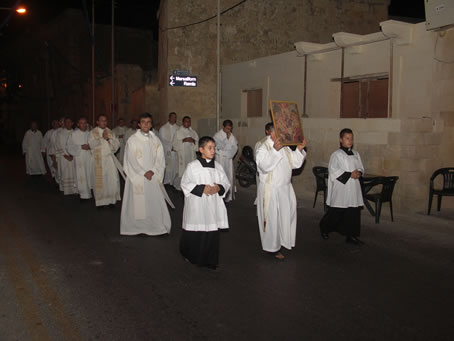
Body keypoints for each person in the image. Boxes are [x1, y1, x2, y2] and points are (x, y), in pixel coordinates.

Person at [256, 123, 307, 260]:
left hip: (285, 189)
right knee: (272, 220)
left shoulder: (285, 148)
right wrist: (275, 151)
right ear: (272, 134)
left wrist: (299, 150)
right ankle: (272, 248)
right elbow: (264, 167)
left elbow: (295, 164)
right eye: (280, 133)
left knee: (286, 216)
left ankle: (283, 241)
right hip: (271, 190)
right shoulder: (263, 148)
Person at [179, 136, 230, 269]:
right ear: (201, 150)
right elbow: (185, 183)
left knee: (211, 232)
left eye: (214, 148)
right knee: (196, 231)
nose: (213, 151)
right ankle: (192, 256)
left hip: (212, 206)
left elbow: (226, 182)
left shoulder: (218, 167)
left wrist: (219, 187)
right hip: (197, 205)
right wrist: (202, 189)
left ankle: (210, 260)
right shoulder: (192, 166)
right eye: (210, 148)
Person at [120, 113, 171, 236]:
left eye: (148, 122)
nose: (146, 124)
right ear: (139, 124)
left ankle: (155, 226)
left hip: (152, 175)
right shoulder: (132, 140)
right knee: (137, 203)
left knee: (152, 201)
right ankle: (135, 227)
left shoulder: (155, 139)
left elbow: (160, 158)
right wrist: (143, 172)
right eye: (143, 122)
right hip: (138, 176)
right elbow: (130, 159)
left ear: (151, 124)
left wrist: (153, 171)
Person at [320, 128, 365, 245]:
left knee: (353, 212)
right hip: (342, 188)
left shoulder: (356, 154)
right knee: (337, 211)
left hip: (353, 188)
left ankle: (351, 235)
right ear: (341, 140)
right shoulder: (336, 155)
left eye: (351, 138)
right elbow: (333, 170)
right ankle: (325, 228)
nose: (350, 141)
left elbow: (360, 167)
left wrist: (359, 172)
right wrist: (350, 174)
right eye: (347, 138)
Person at [88, 114, 121, 207]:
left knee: (111, 180)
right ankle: (101, 202)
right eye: (102, 120)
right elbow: (91, 145)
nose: (104, 122)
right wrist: (102, 138)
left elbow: (117, 145)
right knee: (100, 181)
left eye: (105, 120)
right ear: (97, 122)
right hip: (98, 160)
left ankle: (111, 200)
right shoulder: (93, 132)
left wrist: (109, 140)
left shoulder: (110, 131)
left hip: (109, 159)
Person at [67, 117, 93, 199]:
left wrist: (90, 147)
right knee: (81, 176)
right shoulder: (74, 134)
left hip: (89, 158)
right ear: (78, 124)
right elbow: (69, 146)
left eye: (85, 123)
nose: (84, 125)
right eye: (81, 123)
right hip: (79, 159)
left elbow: (95, 144)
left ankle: (90, 193)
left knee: (89, 174)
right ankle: (82, 195)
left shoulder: (90, 133)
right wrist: (80, 147)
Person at [213, 120, 238, 202]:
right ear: (223, 127)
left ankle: (228, 196)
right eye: (227, 129)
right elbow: (220, 146)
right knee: (220, 176)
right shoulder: (217, 135)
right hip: (220, 158)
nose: (228, 131)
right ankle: (219, 194)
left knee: (228, 176)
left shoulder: (232, 136)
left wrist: (231, 153)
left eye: (230, 129)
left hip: (228, 159)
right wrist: (226, 140)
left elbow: (235, 147)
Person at [172, 116, 199, 190]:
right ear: (183, 122)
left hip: (191, 155)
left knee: (190, 170)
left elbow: (197, 145)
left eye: (189, 121)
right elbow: (174, 144)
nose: (187, 123)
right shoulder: (178, 132)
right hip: (182, 156)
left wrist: (193, 141)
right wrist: (183, 140)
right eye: (186, 121)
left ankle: (190, 185)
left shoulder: (193, 132)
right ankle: (179, 186)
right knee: (182, 171)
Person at [55, 117, 78, 195]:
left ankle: (75, 190)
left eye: (69, 122)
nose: (68, 124)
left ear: (72, 123)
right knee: (65, 173)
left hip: (73, 157)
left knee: (74, 173)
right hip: (64, 157)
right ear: (64, 123)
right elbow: (58, 146)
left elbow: (77, 145)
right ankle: (66, 190)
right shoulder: (60, 134)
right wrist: (66, 155)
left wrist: (72, 155)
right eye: (66, 122)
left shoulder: (75, 133)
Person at [253, 122, 273, 206]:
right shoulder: (261, 143)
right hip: (264, 173)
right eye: (271, 130)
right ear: (267, 131)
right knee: (264, 195)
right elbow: (257, 159)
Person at [159, 112, 179, 188]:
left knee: (175, 167)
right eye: (173, 117)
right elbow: (163, 140)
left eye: (175, 117)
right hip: (168, 151)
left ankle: (174, 181)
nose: (174, 118)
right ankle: (167, 182)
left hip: (175, 151)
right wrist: (171, 147)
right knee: (168, 167)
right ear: (169, 118)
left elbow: (179, 139)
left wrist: (176, 147)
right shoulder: (163, 128)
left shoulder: (178, 128)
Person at [48, 117, 65, 185]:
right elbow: (52, 145)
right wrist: (53, 158)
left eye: (64, 122)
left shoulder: (70, 131)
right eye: (61, 122)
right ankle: (59, 185)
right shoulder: (56, 132)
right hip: (58, 156)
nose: (63, 123)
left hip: (67, 156)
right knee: (59, 171)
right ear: (60, 123)